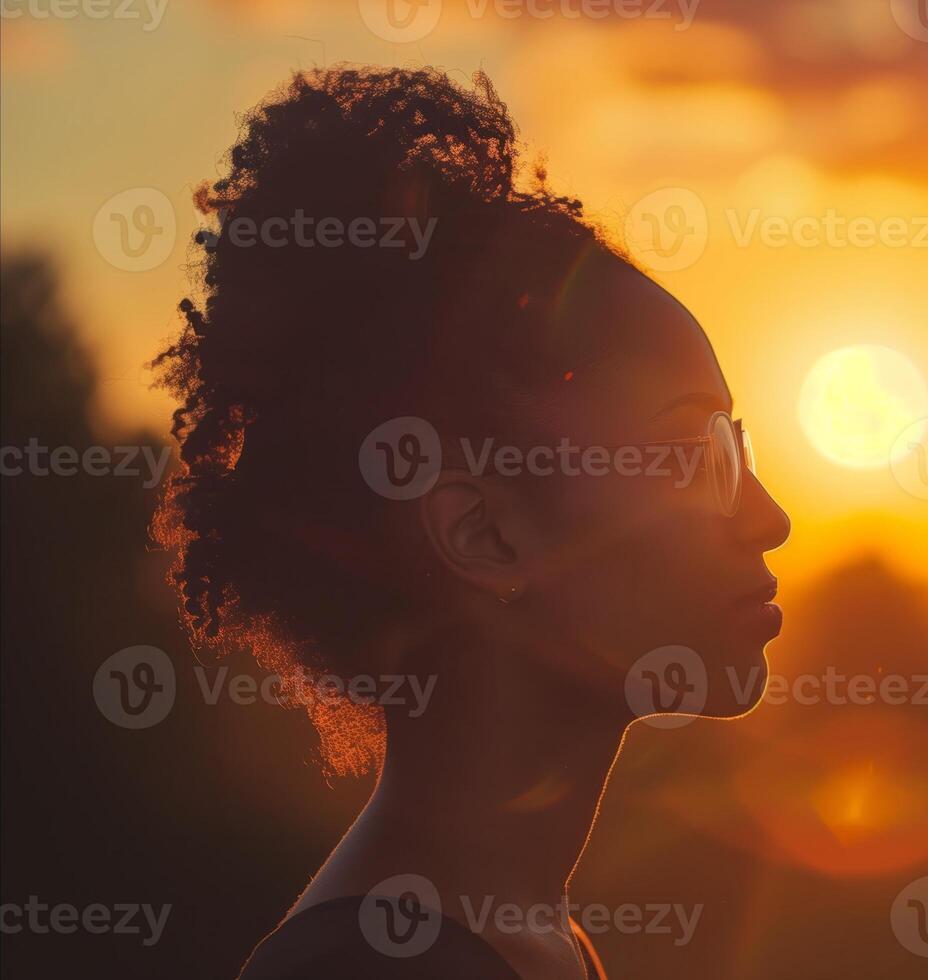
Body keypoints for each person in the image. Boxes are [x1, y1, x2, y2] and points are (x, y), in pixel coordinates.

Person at [153, 66, 789, 979]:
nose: (768, 519)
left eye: (738, 449)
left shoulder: (531, 943)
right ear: (484, 534)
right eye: (691, 455)